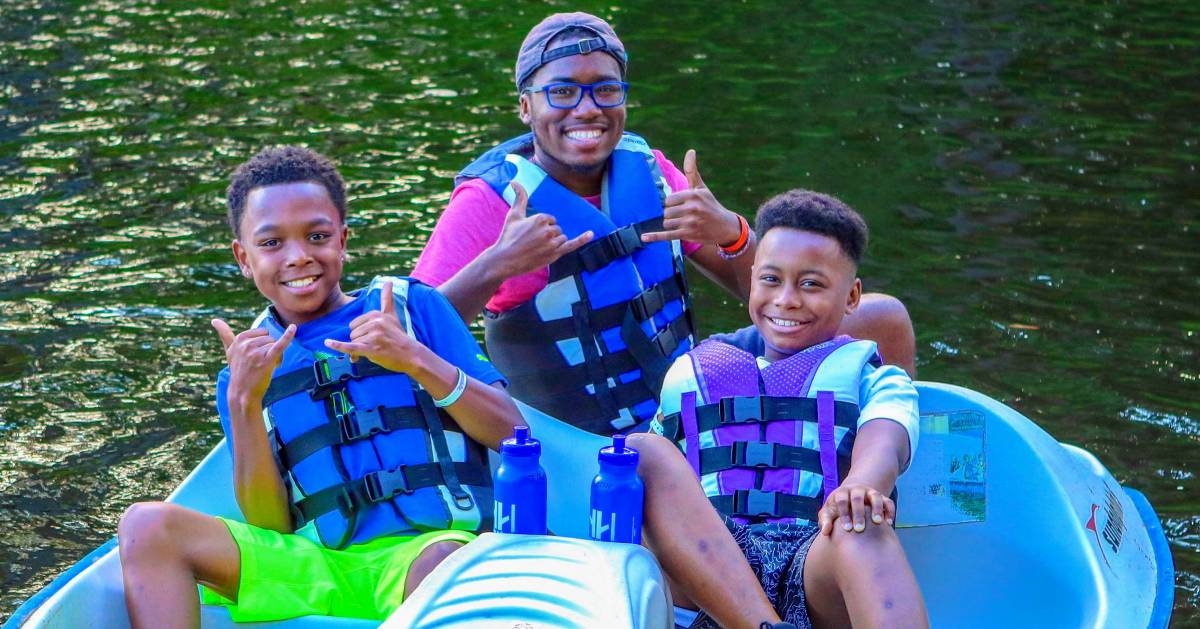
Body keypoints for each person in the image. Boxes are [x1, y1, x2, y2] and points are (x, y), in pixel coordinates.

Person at [412, 12, 916, 437]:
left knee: (882, 319)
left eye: (605, 90)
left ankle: (874, 478)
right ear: (526, 106)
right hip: (578, 440)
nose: (587, 109)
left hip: (685, 401)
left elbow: (770, 299)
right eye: (562, 92)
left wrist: (732, 234)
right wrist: (497, 264)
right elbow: (403, 336)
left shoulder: (652, 172)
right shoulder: (489, 201)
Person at [116, 146, 524, 626]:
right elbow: (271, 526)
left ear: (343, 240)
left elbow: (514, 434)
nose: (298, 256)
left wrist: (414, 359)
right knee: (146, 525)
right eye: (271, 244)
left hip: (430, 554)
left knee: (441, 564)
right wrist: (244, 403)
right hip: (314, 566)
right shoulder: (242, 371)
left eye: (317, 236)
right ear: (243, 258)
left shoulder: (415, 310)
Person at [648, 189, 929, 628]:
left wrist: (861, 485)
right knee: (642, 454)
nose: (787, 300)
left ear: (852, 296)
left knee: (861, 524)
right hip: (705, 573)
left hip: (812, 564)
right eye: (771, 280)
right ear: (753, 277)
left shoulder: (876, 379)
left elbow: (887, 441)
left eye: (811, 284)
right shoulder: (688, 376)